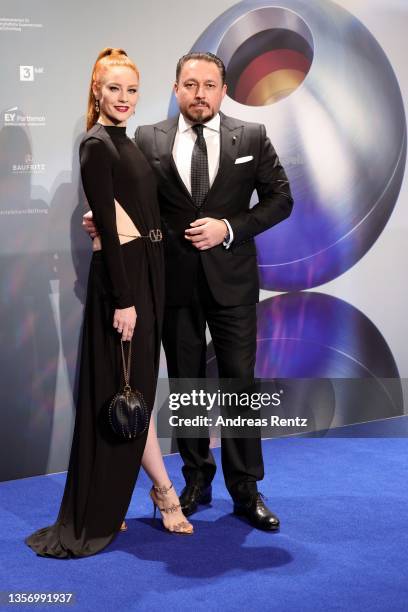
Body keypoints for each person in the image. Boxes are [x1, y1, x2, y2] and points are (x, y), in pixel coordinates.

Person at [84, 52, 293, 532]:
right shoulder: (147, 138)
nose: (200, 93)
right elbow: (134, 202)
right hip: (170, 284)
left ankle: (246, 490)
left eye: (210, 85)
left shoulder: (252, 137)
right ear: (176, 89)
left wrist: (229, 227)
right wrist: (102, 219)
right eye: (190, 84)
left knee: (240, 388)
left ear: (224, 90)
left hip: (234, 284)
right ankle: (195, 480)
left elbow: (282, 199)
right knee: (187, 388)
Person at [25, 48, 192, 559]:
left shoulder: (128, 141)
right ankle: (164, 495)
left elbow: (126, 212)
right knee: (128, 392)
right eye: (114, 89)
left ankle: (109, 502)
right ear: (96, 91)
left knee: (129, 391)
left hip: (148, 274)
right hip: (124, 284)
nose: (124, 98)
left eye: (131, 90)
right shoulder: (95, 144)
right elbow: (108, 223)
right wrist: (124, 299)